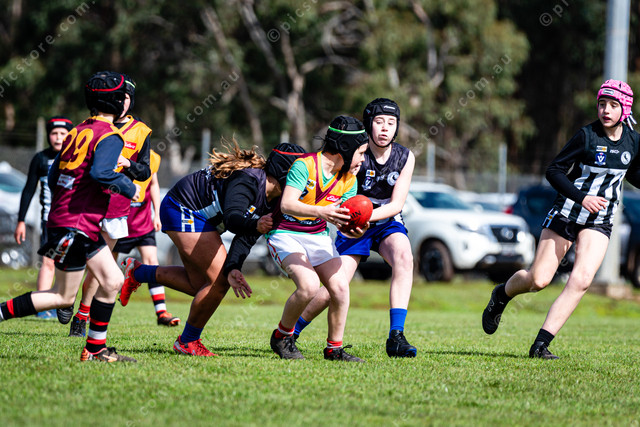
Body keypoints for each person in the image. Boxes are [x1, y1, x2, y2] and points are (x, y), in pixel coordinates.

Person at [482, 79, 640, 359]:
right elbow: (553, 171)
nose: (606, 110)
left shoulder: (633, 141)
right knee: (538, 280)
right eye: (602, 104)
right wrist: (582, 197)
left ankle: (540, 345)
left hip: (600, 219)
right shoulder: (587, 136)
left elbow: (634, 174)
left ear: (625, 109)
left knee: (582, 280)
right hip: (567, 212)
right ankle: (502, 295)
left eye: (613, 105)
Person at [0, 71, 140, 362]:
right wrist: (129, 187)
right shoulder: (110, 135)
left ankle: (95, 349)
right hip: (77, 225)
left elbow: (53, 177)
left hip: (70, 222)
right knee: (66, 295)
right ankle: (95, 349)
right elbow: (101, 173)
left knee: (108, 282)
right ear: (116, 102)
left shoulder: (77, 131)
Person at [119, 141, 306, 356]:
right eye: (302, 176)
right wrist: (255, 225)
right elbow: (234, 218)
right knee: (219, 282)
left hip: (194, 214)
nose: (304, 185)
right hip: (182, 208)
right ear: (286, 174)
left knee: (200, 286)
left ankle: (138, 272)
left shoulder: (275, 200)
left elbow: (246, 238)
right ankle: (187, 341)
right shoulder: (248, 180)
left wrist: (234, 266)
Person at [292, 98, 418, 358]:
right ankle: (291, 333)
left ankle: (396, 336)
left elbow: (396, 205)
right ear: (368, 124)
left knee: (404, 258)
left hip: (384, 221)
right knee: (333, 289)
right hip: (353, 223)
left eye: (391, 122)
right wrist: (351, 218)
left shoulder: (405, 157)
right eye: (379, 121)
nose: (385, 128)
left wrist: (367, 217)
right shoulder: (355, 152)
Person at [67, 76, 177, 336]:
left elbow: (145, 172)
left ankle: (82, 315)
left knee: (102, 269)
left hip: (117, 209)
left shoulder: (141, 132)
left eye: (126, 98)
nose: (121, 102)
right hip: (88, 205)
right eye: (118, 97)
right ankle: (66, 298)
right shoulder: (92, 125)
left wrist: (128, 164)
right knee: (79, 260)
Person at [266, 115, 368, 362]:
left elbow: (342, 221)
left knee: (340, 287)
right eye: (361, 153)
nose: (363, 159)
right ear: (346, 148)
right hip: (285, 234)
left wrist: (355, 230)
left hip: (317, 236)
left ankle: (334, 349)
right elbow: (287, 204)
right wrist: (321, 212)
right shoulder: (304, 166)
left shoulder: (349, 180)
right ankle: (282, 336)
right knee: (309, 286)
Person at [14, 116, 74, 320]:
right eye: (54, 133)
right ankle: (42, 308)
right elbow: (28, 190)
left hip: (73, 222)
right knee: (48, 263)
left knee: (67, 265)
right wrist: (21, 221)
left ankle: (60, 302)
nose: (58, 137)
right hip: (51, 222)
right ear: (48, 135)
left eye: (63, 133)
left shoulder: (75, 157)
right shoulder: (40, 159)